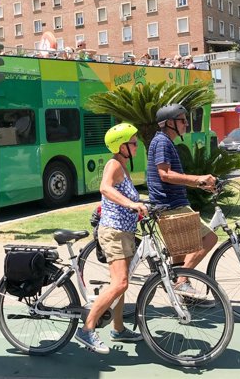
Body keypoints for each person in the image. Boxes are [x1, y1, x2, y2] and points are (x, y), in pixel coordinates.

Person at [75, 123, 148, 354]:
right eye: (134, 142)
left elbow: (126, 195)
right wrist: (130, 203)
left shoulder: (124, 166)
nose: (137, 146)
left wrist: (145, 204)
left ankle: (118, 329)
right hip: (114, 232)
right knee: (120, 283)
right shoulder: (114, 164)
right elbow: (105, 188)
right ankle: (86, 329)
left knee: (122, 282)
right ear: (122, 146)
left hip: (125, 232)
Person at [147, 104, 217, 298]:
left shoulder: (165, 141)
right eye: (182, 120)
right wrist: (197, 179)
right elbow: (165, 174)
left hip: (173, 203)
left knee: (180, 252)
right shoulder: (162, 142)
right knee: (210, 238)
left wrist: (200, 184)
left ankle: (183, 293)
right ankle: (182, 281)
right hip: (170, 205)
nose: (186, 123)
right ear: (170, 123)